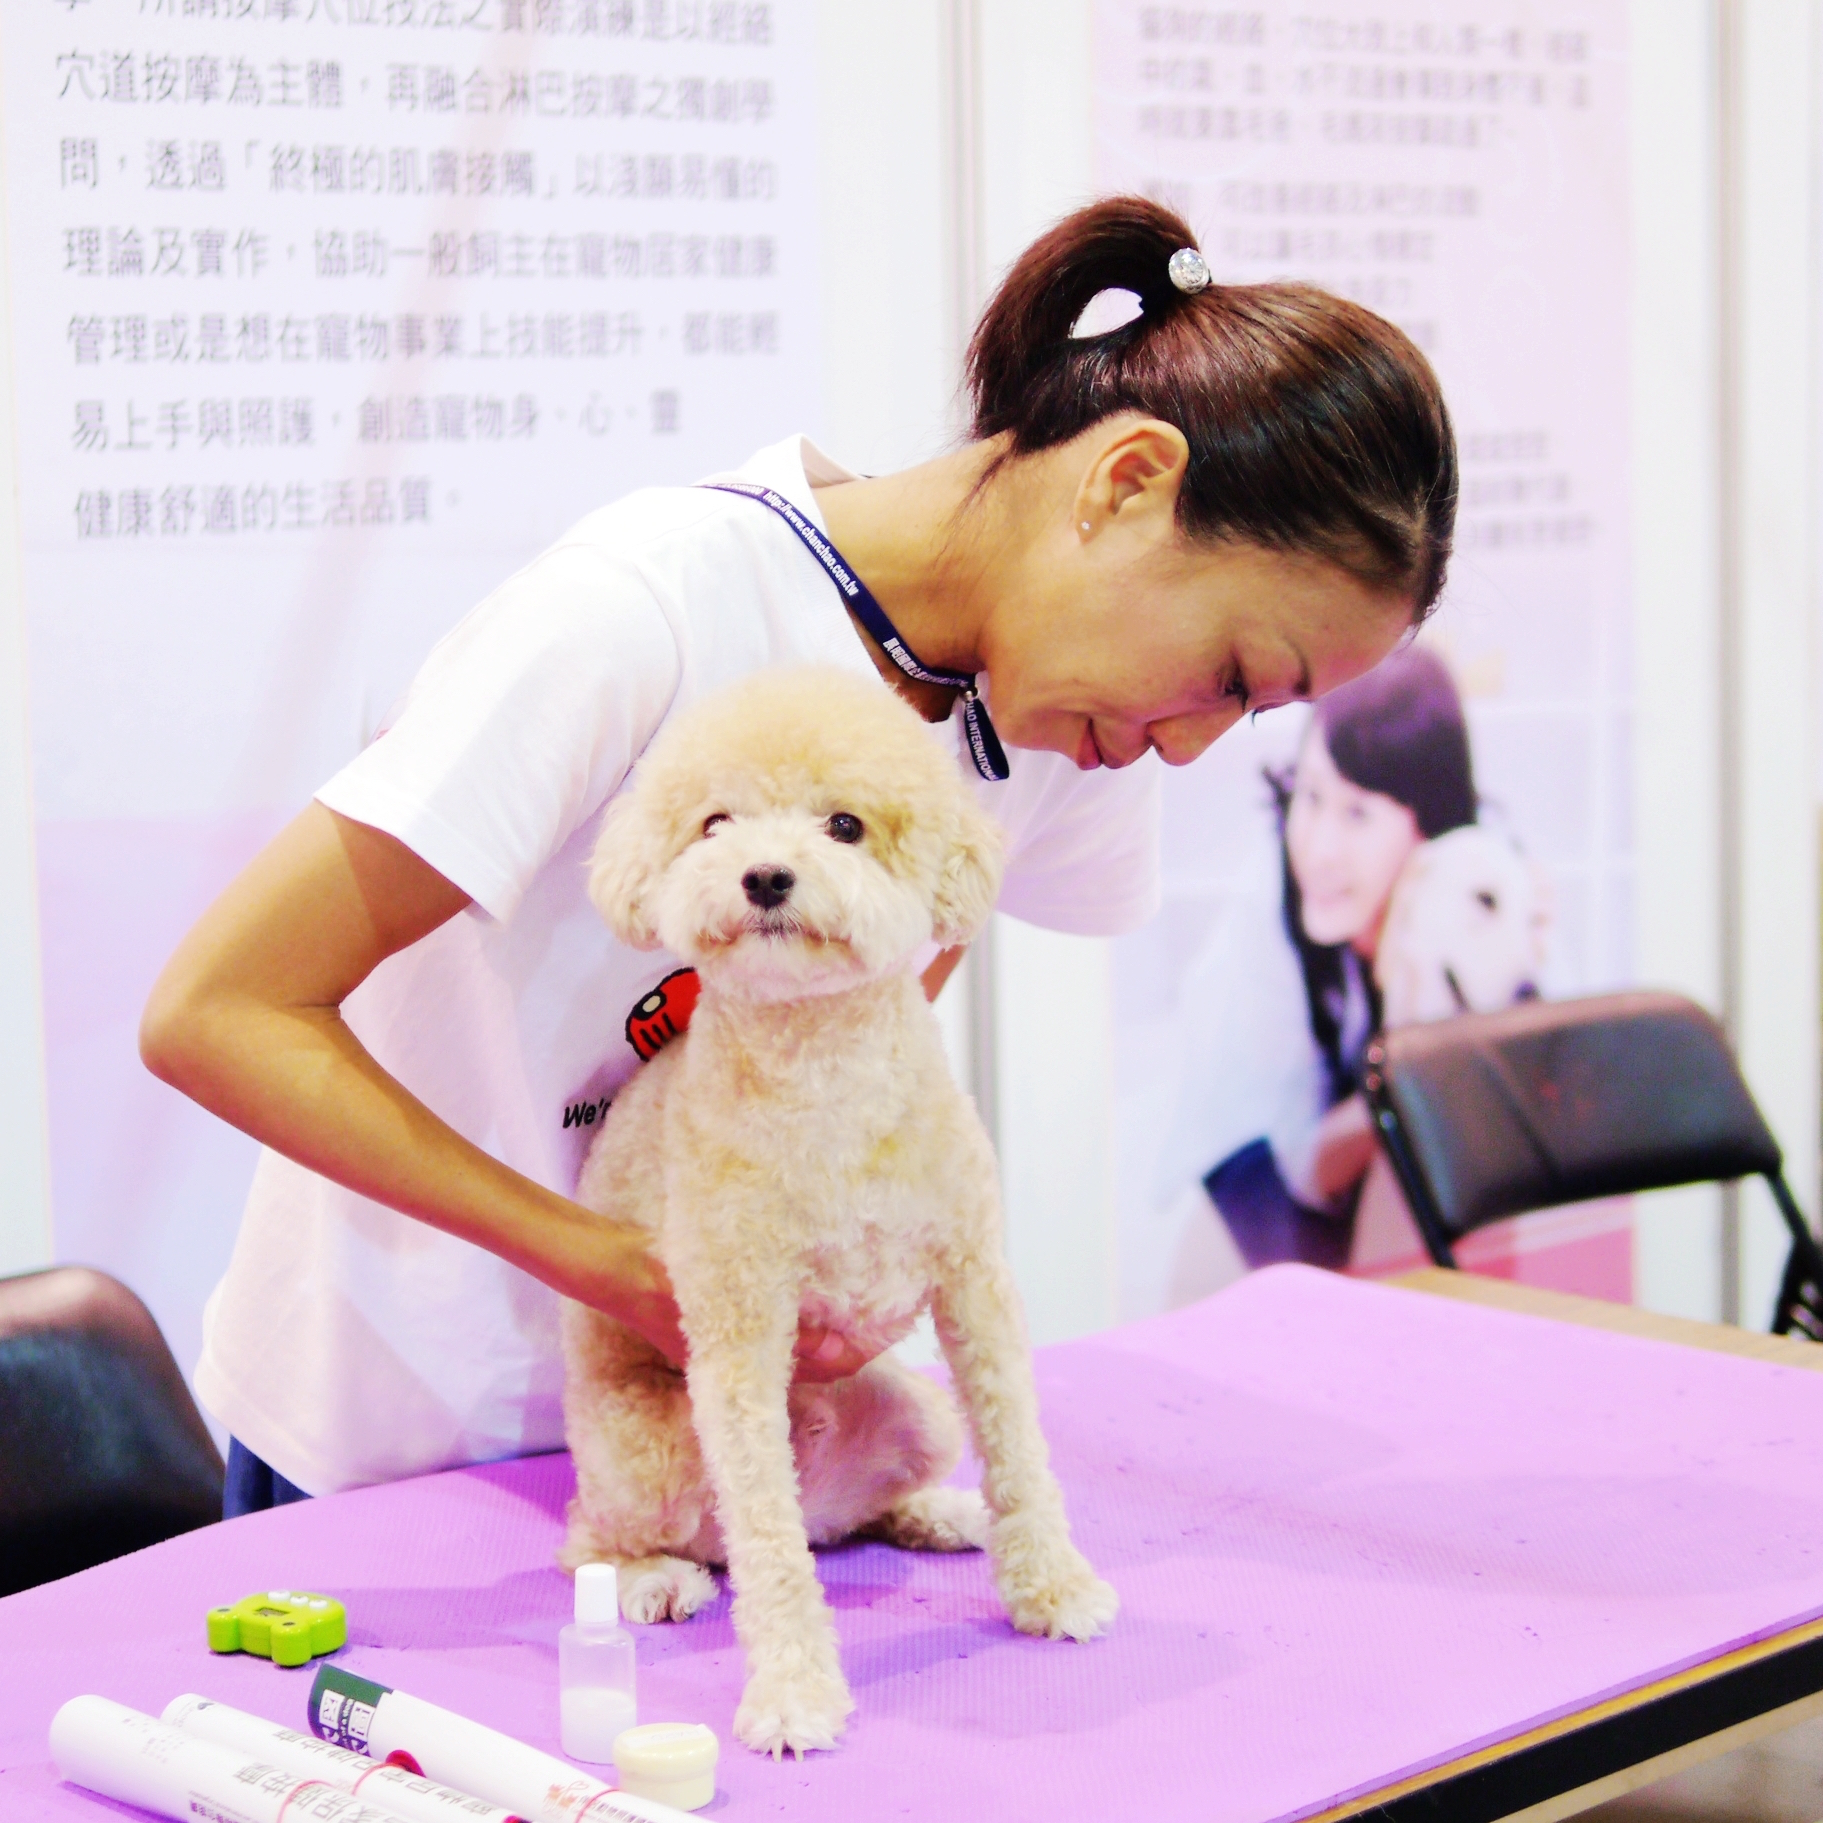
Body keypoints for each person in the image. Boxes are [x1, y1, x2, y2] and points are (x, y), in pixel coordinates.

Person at [139, 196, 1457, 1513]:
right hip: (409, 1434)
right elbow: (219, 1011)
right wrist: (605, 1265)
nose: (1189, 744)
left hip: (727, 1439)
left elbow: (862, 1026)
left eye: (1250, 713)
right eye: (1229, 674)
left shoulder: (1068, 724)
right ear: (1124, 485)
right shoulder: (640, 609)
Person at [1155, 646, 1476, 1297]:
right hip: (1261, 1167)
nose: (1320, 849)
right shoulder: (1266, 911)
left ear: (1428, 825)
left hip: (1374, 1161)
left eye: (1357, 813)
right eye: (1310, 796)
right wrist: (1412, 1081)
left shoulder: (1475, 882)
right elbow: (1302, 1165)